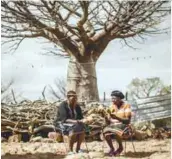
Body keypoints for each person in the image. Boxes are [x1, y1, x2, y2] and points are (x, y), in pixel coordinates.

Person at [103, 90, 132, 156]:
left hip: (125, 126)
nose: (112, 100)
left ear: (119, 98)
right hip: (113, 125)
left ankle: (120, 148)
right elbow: (108, 121)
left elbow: (128, 120)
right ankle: (112, 148)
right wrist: (106, 118)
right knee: (105, 132)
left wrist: (117, 118)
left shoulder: (126, 105)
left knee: (116, 131)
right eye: (112, 98)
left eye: (114, 98)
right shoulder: (111, 106)